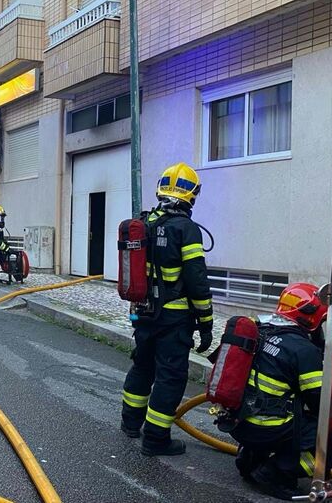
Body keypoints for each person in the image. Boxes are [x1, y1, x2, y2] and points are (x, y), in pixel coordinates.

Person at [229, 283, 332, 500]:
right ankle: (277, 471)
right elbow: (324, 406)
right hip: (269, 430)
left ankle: (251, 458)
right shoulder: (302, 350)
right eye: (322, 322)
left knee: (287, 409)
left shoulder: (259, 330)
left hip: (240, 424)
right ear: (310, 318)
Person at [121, 163, 214, 456]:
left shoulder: (145, 222)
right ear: (192, 195)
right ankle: (156, 439)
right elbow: (197, 280)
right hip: (173, 318)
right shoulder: (185, 229)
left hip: (144, 313)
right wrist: (206, 321)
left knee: (142, 366)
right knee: (170, 376)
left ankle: (130, 423)